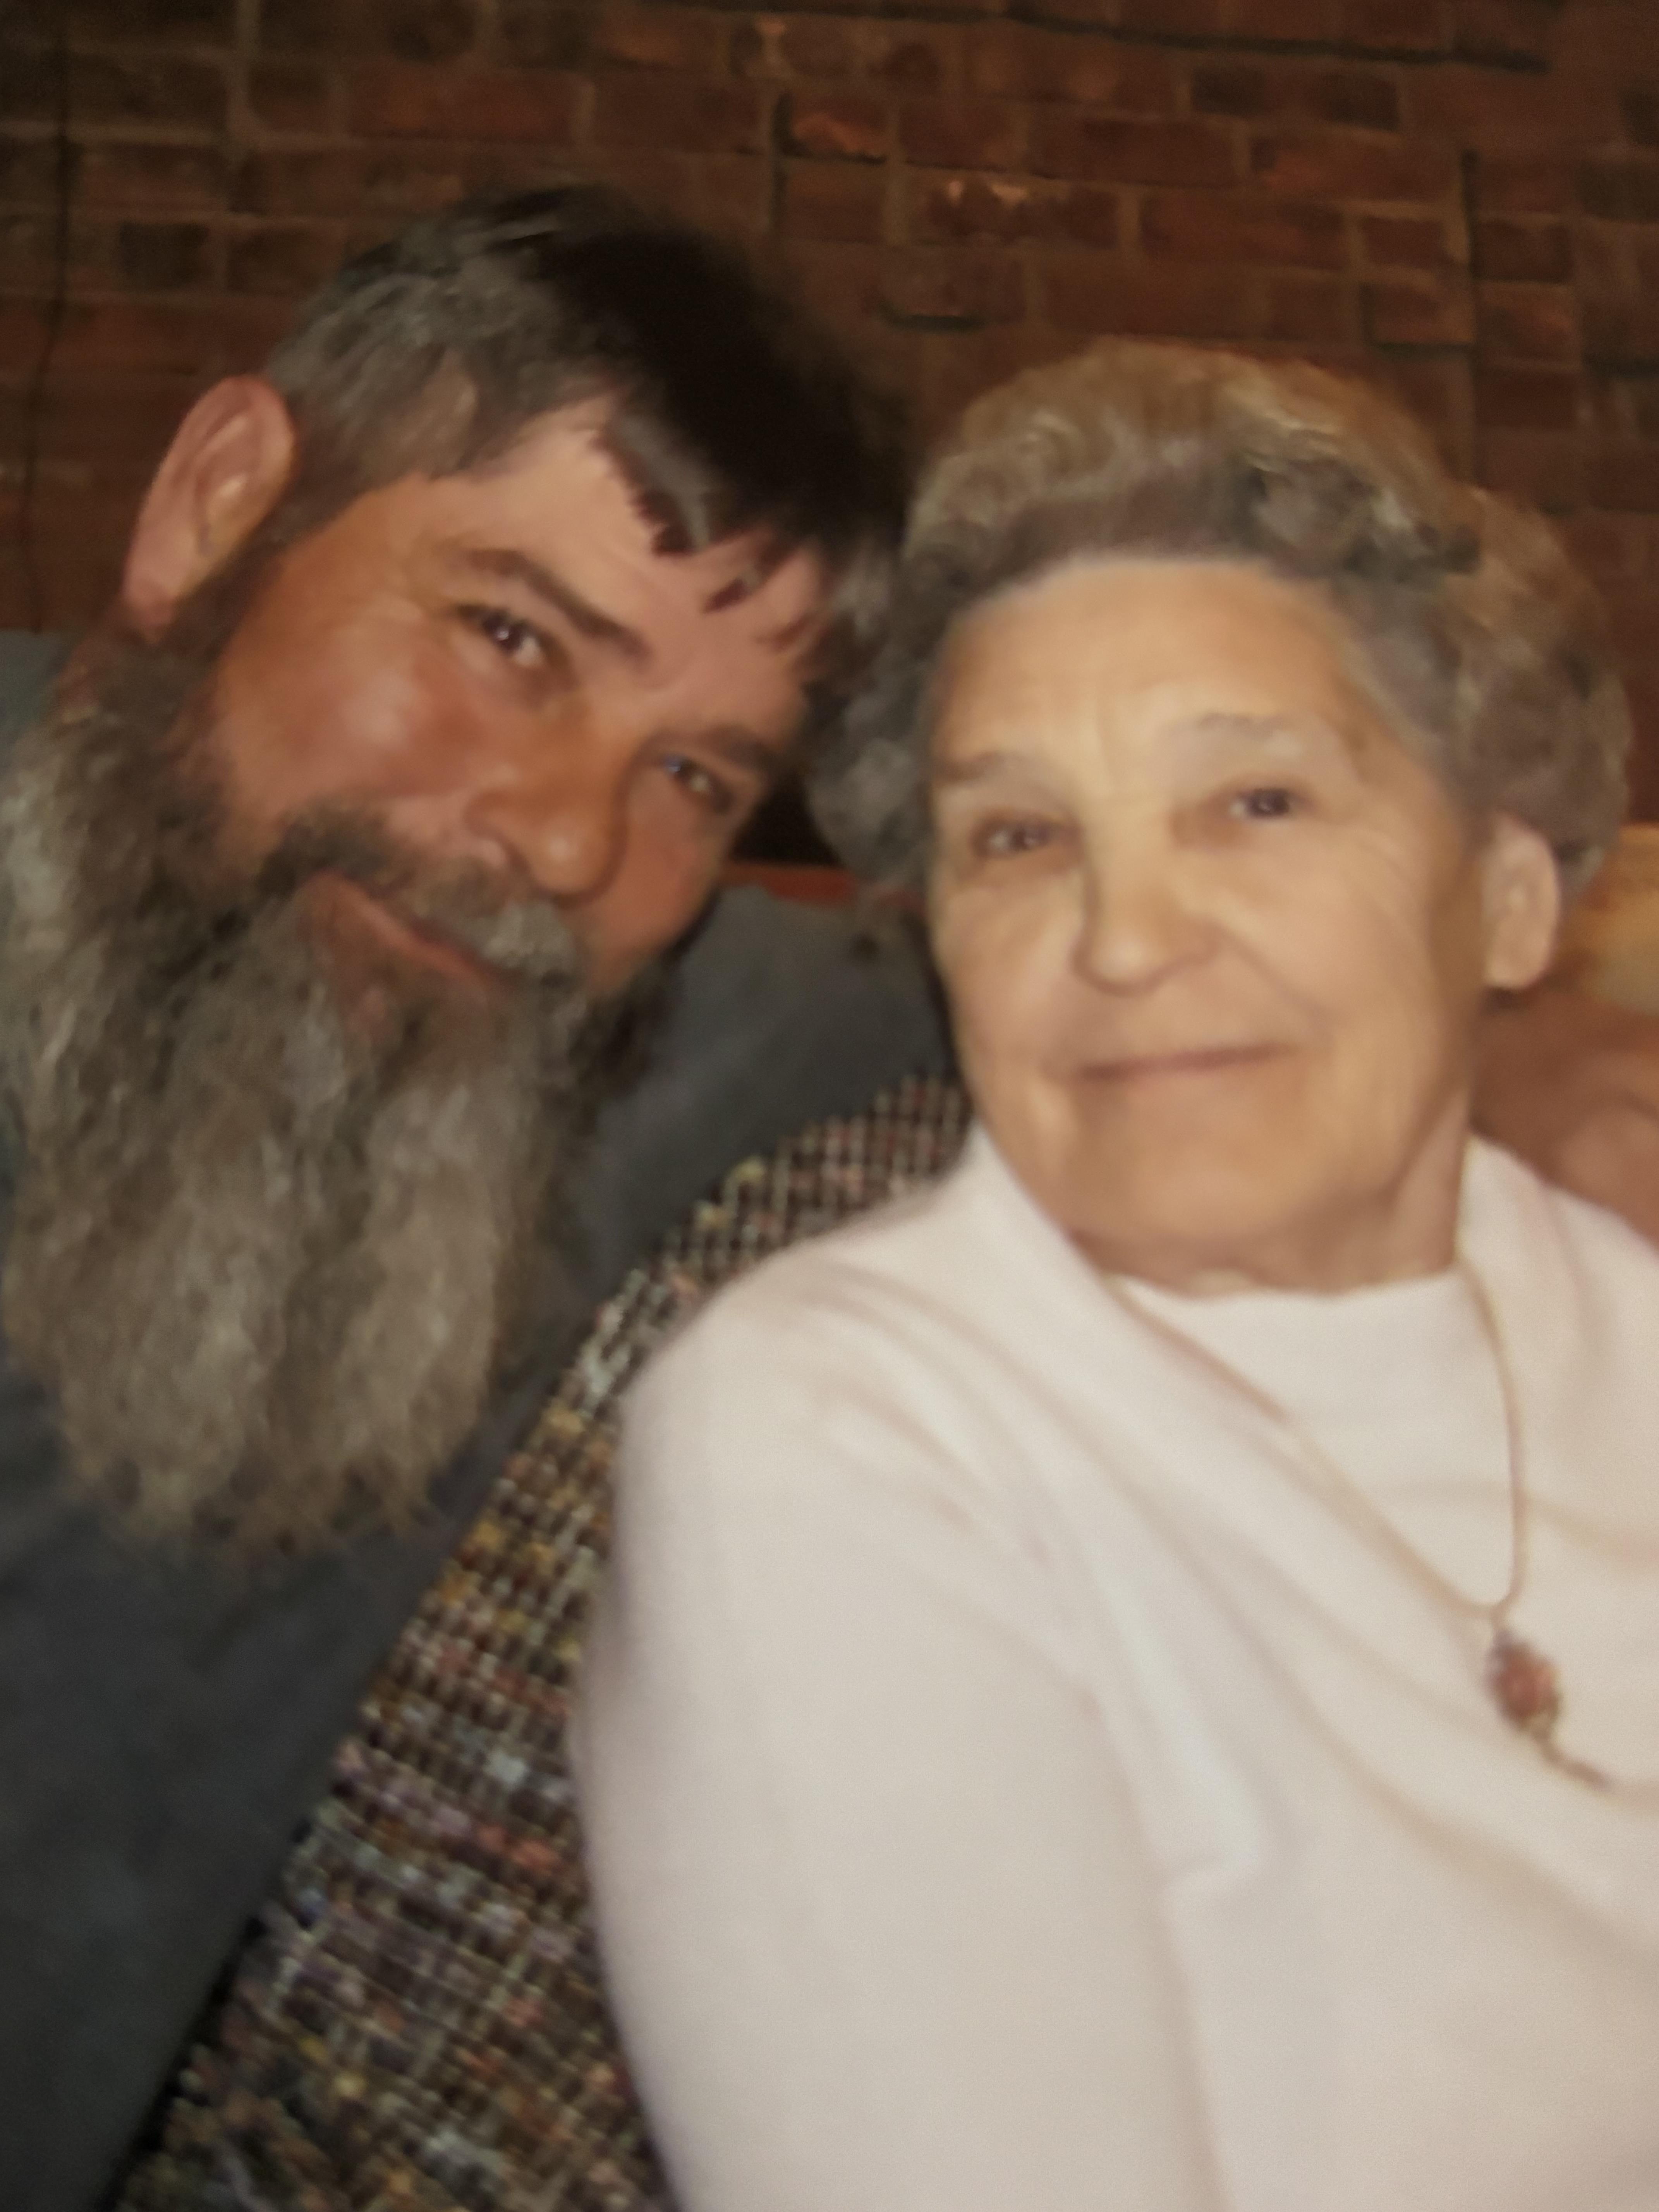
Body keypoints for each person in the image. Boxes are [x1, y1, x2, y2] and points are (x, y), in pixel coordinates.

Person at [579, 341, 1659, 2212]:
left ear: (1503, 896)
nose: (1128, 935)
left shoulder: (1618, 1314)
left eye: (1256, 803)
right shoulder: (841, 1445)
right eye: (1018, 838)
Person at [0, 181, 929, 2210]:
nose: (571, 840)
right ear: (214, 506)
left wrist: (1508, 1033)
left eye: (697, 775)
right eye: (509, 637)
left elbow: (1085, 1000)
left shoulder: (618, 1061)